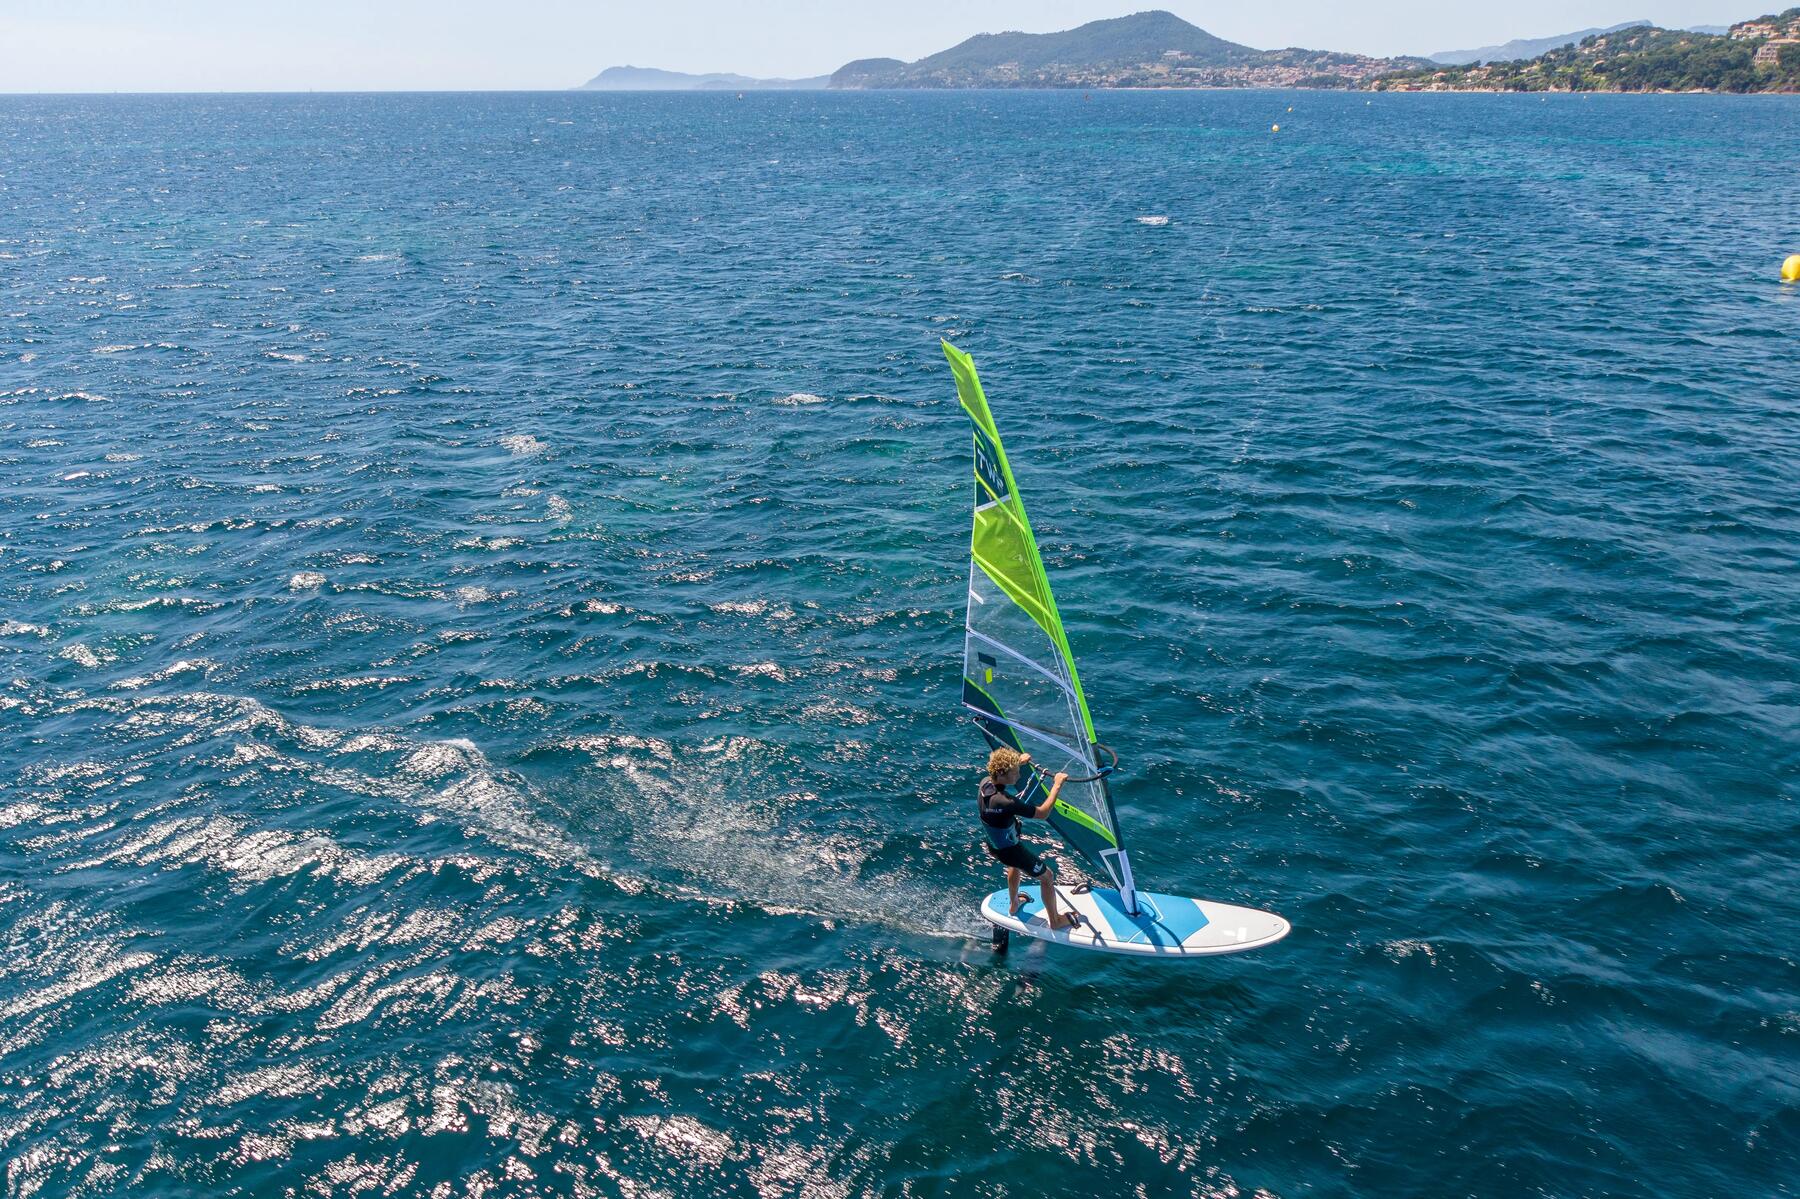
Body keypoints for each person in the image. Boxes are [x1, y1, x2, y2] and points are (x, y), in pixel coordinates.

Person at [979, 747, 1077, 931]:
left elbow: (999, 770)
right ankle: (1055, 921)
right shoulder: (1006, 802)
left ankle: (1014, 904)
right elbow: (1042, 813)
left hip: (995, 845)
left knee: (1013, 866)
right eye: (1015, 771)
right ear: (1003, 774)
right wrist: (1057, 785)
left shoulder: (985, 783)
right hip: (1011, 851)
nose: (1018, 775)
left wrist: (1018, 762)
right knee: (1047, 877)